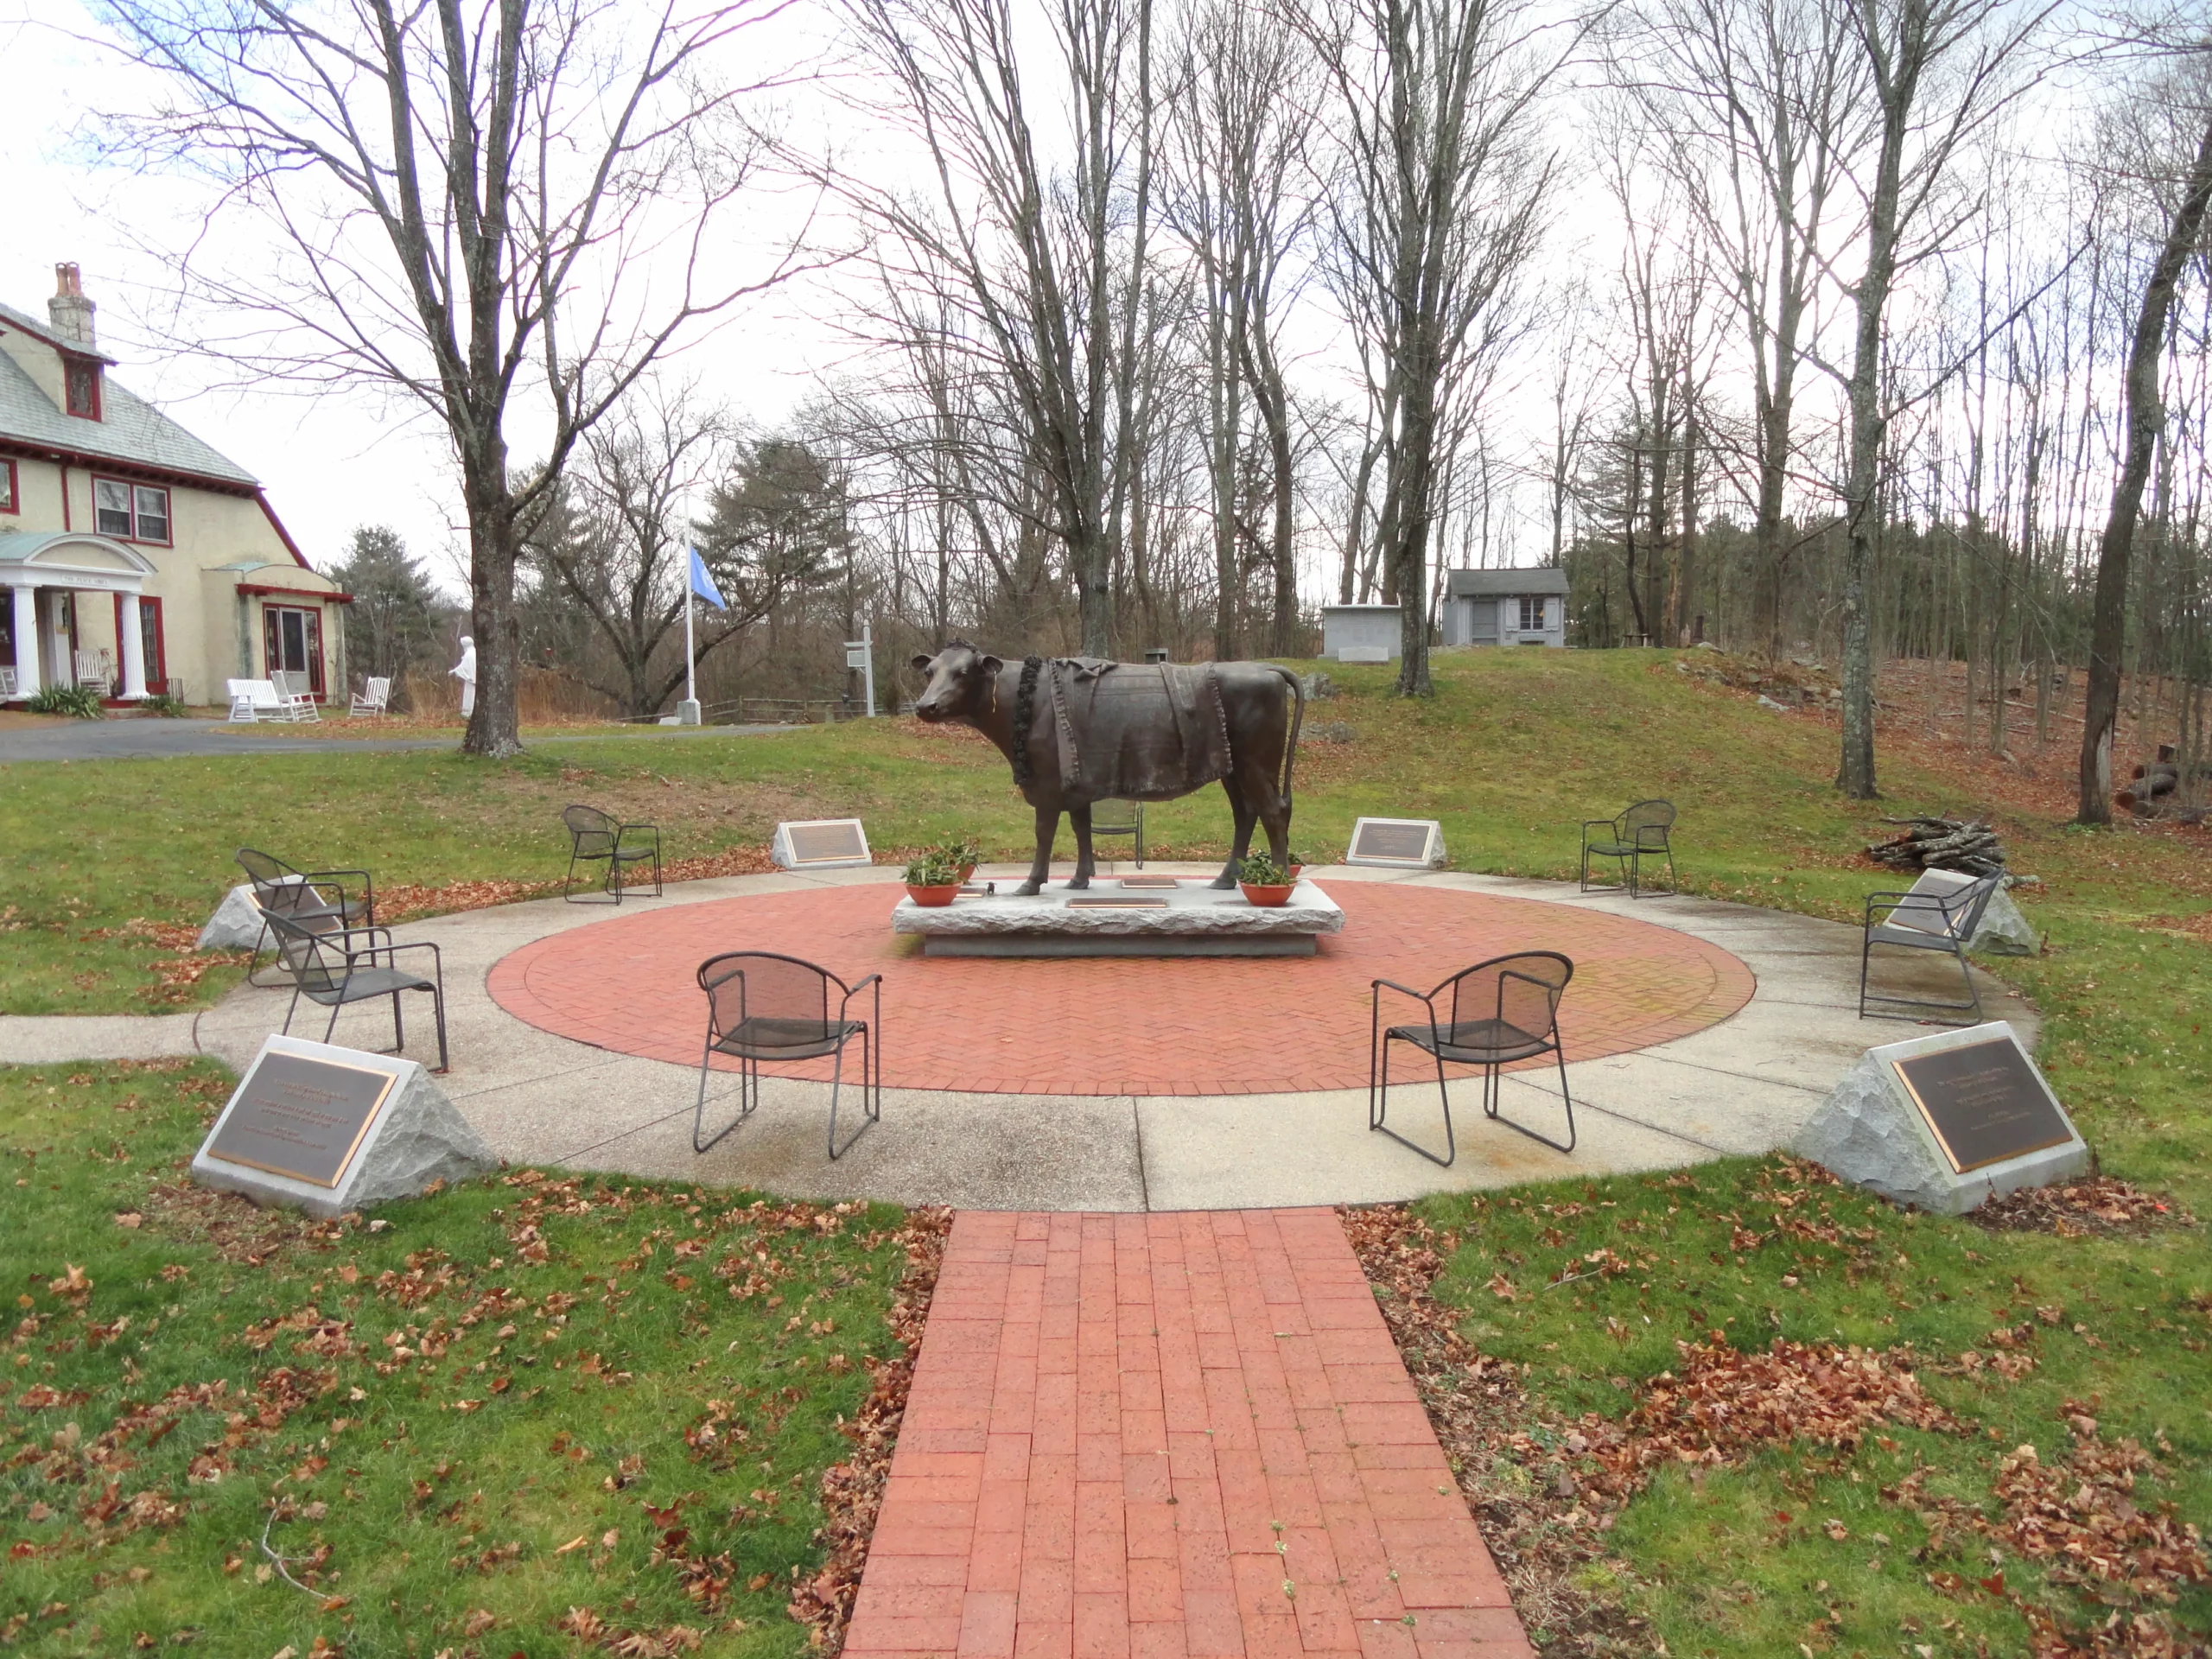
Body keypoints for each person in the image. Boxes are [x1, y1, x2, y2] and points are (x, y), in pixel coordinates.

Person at [449, 634, 476, 720]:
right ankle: (468, 711)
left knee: (470, 695)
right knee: (470, 695)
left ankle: (469, 712)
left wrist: (455, 671)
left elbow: (464, 667)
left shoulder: (469, 654)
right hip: (471, 679)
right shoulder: (473, 652)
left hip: (471, 679)